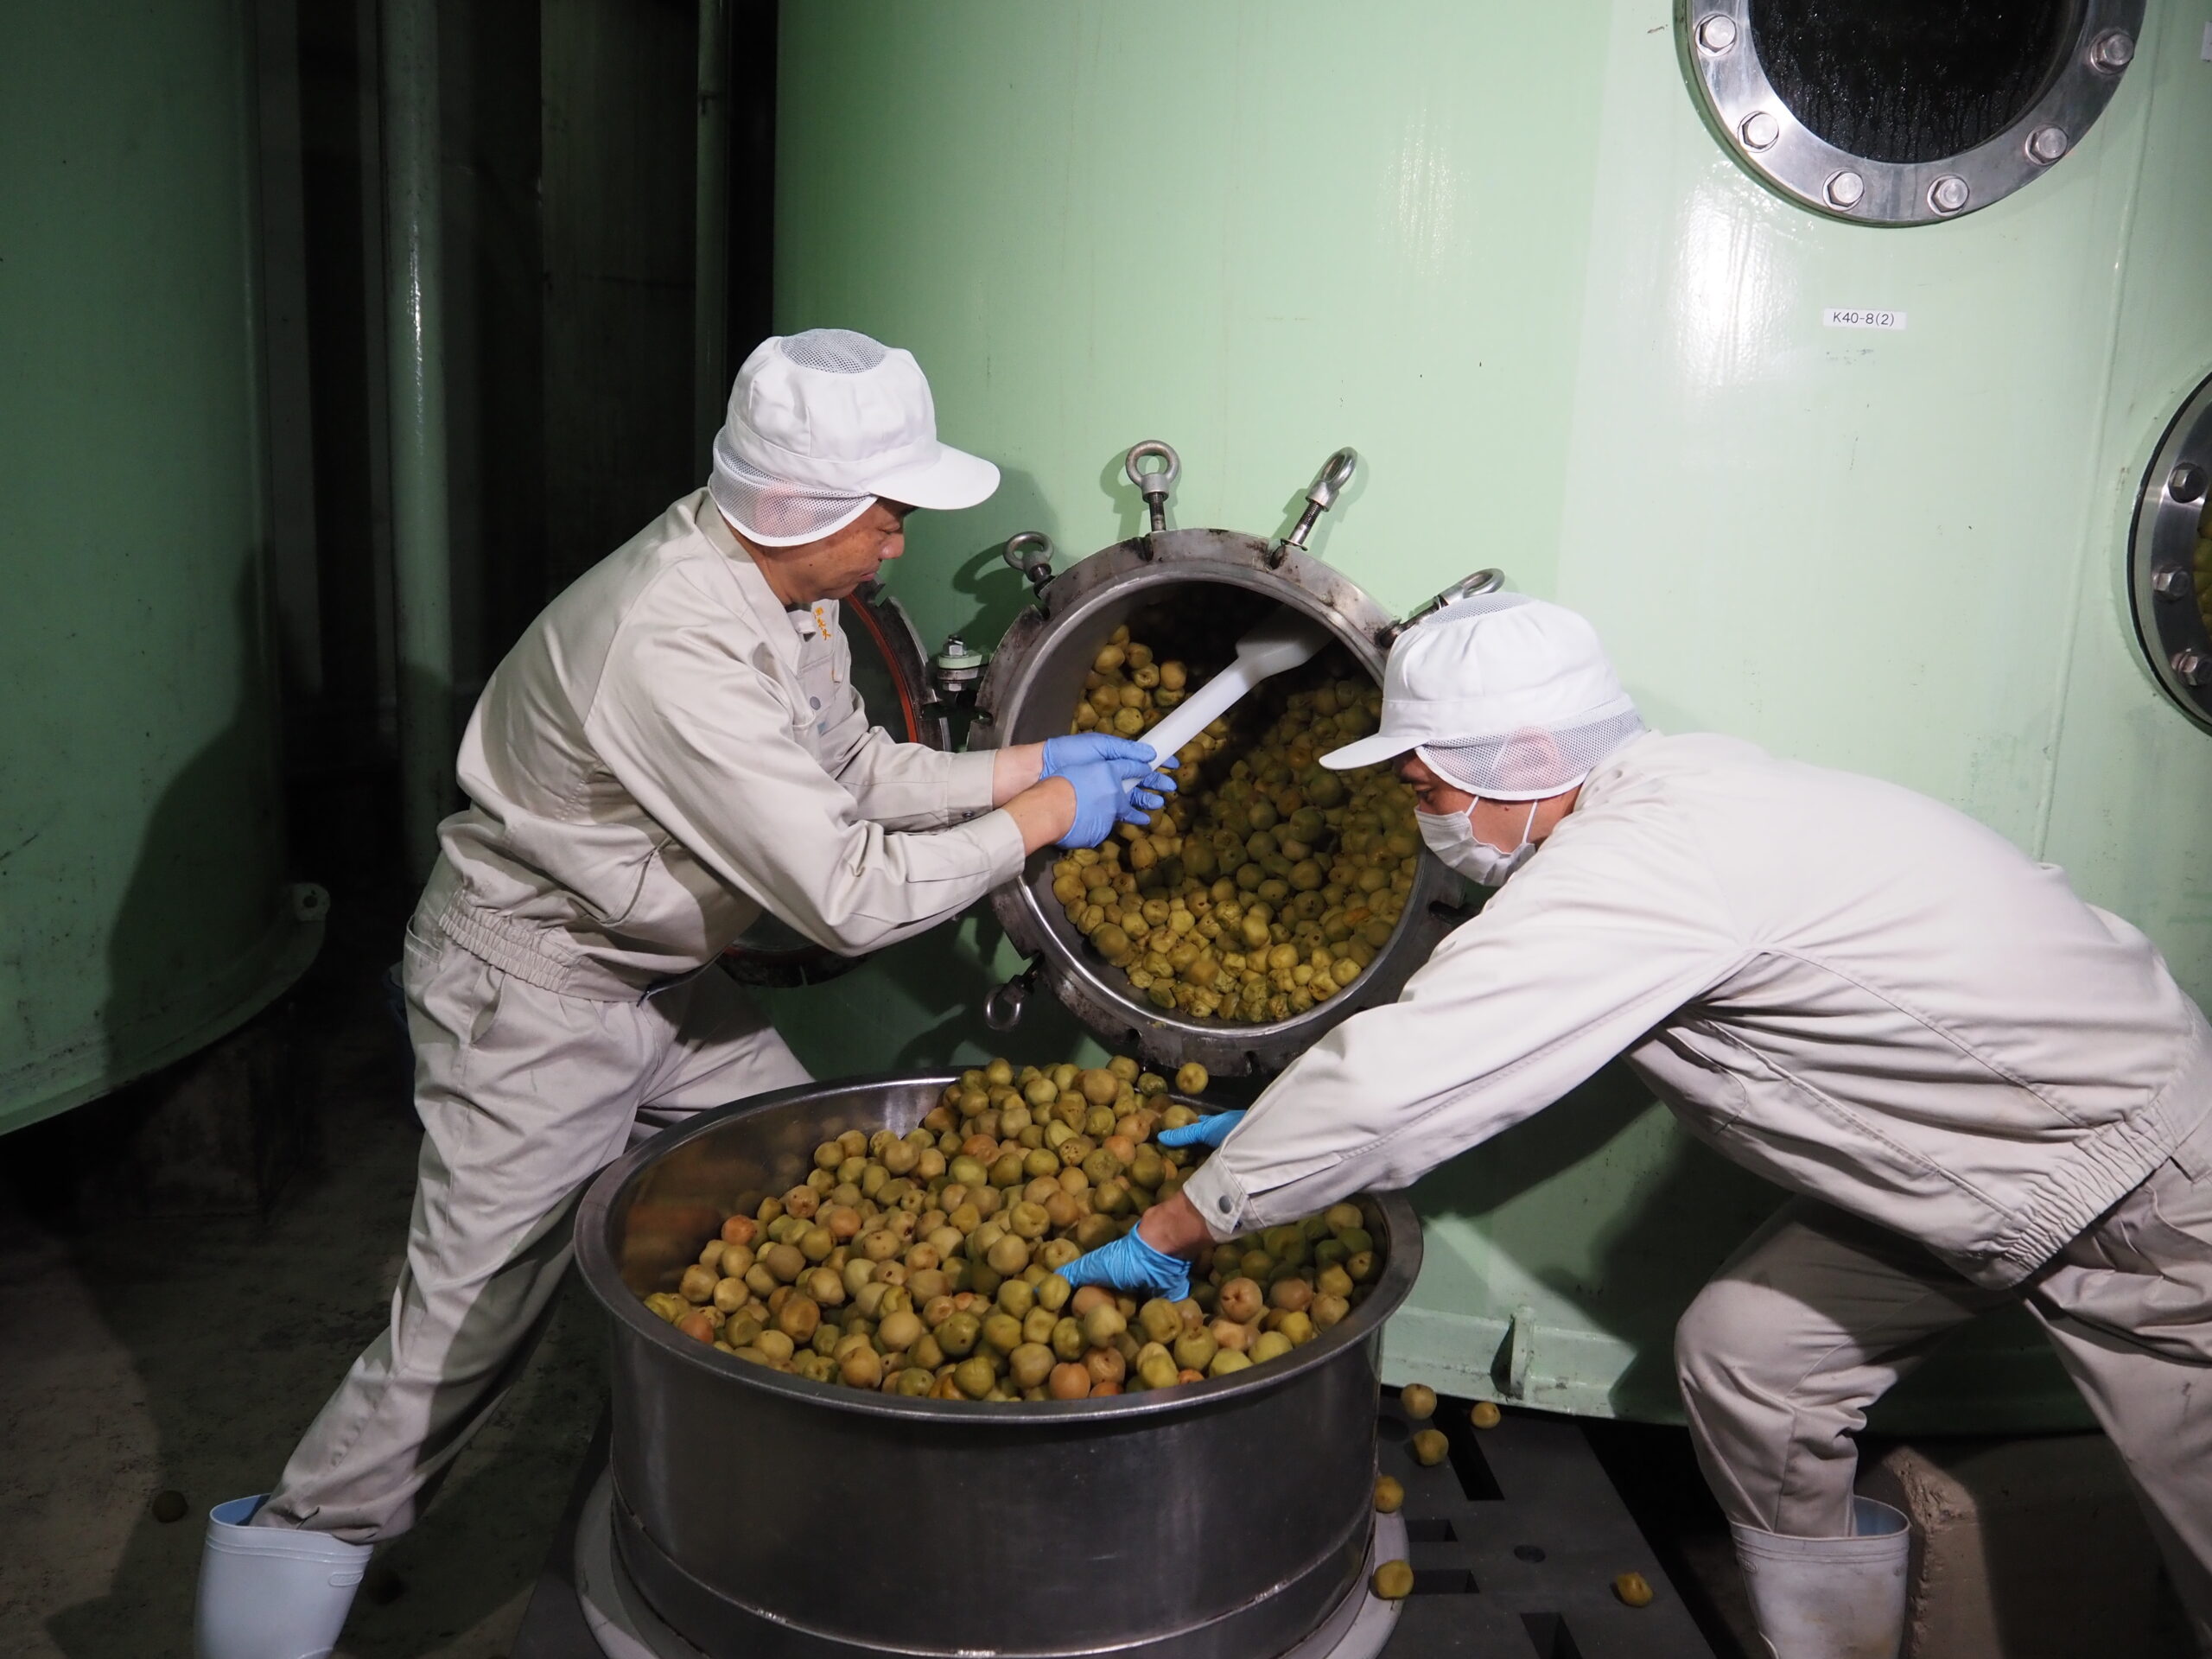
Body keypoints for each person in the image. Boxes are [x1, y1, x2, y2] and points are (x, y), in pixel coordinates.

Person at [194, 328, 1173, 1659]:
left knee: (821, 1181)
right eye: (886, 514)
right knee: (468, 1336)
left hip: (660, 980)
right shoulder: (670, 639)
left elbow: (851, 773)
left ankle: (771, 1489)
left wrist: (1027, 765)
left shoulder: (789, 596)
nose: (899, 540)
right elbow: (846, 894)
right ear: (801, 509)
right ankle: (283, 1575)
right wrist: (1048, 818)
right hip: (538, 992)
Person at [1069, 591, 2212, 1659]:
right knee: (1753, 1357)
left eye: (1426, 790)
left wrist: (1187, 1220)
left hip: (2141, 1182)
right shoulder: (1679, 799)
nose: (1422, 820)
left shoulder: (1649, 858)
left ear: (1522, 763)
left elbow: (1413, 1073)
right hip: (1987, 1168)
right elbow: (1489, 1054)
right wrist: (1276, 1126)